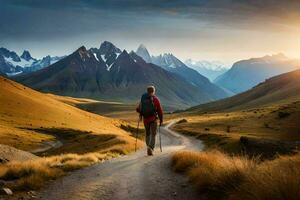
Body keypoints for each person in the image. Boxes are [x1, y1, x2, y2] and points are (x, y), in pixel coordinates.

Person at [136, 86, 163, 156]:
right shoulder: (156, 99)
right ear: (153, 91)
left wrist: (141, 114)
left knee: (147, 134)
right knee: (153, 134)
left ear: (147, 91)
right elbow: (160, 111)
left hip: (145, 120)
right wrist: (161, 120)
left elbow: (138, 109)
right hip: (153, 119)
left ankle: (148, 146)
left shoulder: (143, 99)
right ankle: (150, 148)